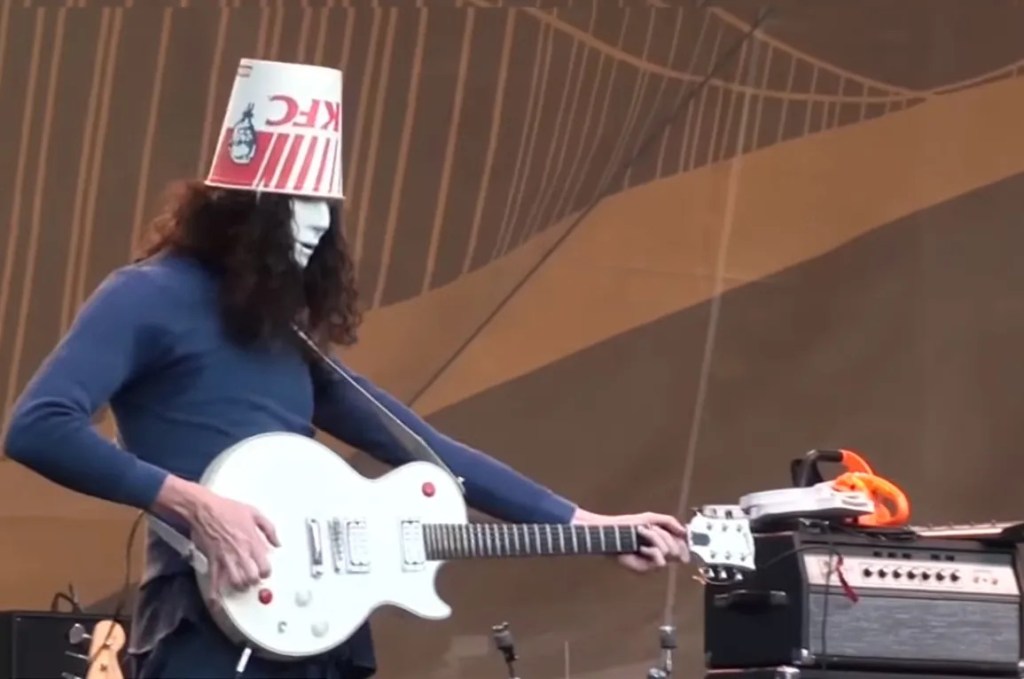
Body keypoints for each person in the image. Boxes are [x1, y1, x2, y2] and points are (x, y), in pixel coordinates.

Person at [3, 59, 688, 679]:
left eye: (325, 207)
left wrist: (581, 521)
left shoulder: (282, 331)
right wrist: (191, 503)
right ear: (238, 211)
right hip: (205, 620)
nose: (316, 225)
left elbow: (422, 447)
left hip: (318, 626)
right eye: (294, 205)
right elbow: (38, 425)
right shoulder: (144, 295)